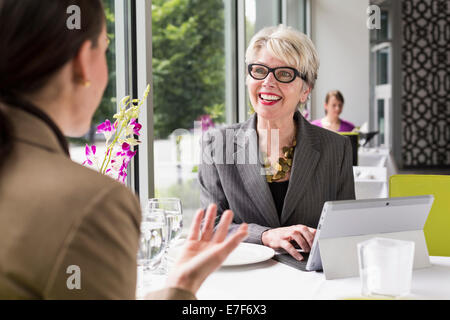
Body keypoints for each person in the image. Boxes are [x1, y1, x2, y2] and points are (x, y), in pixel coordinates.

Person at [0, 0, 248, 299]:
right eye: (105, 47)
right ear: (82, 61)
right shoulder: (91, 204)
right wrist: (179, 292)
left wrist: (180, 283)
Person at [198, 25, 355, 261]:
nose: (268, 82)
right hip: (242, 282)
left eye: (284, 74)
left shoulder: (336, 148)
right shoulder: (217, 144)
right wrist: (265, 236)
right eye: (259, 70)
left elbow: (346, 228)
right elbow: (208, 228)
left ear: (305, 90)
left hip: (311, 285)